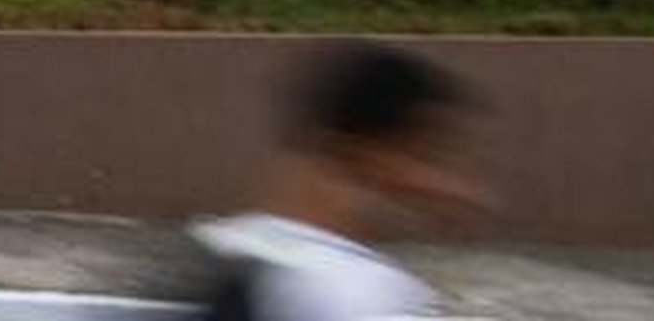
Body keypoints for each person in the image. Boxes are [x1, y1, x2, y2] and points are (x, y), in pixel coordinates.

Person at [192, 45, 487, 319]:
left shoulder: (229, 253)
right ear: (367, 156)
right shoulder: (351, 293)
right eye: (430, 156)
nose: (459, 190)